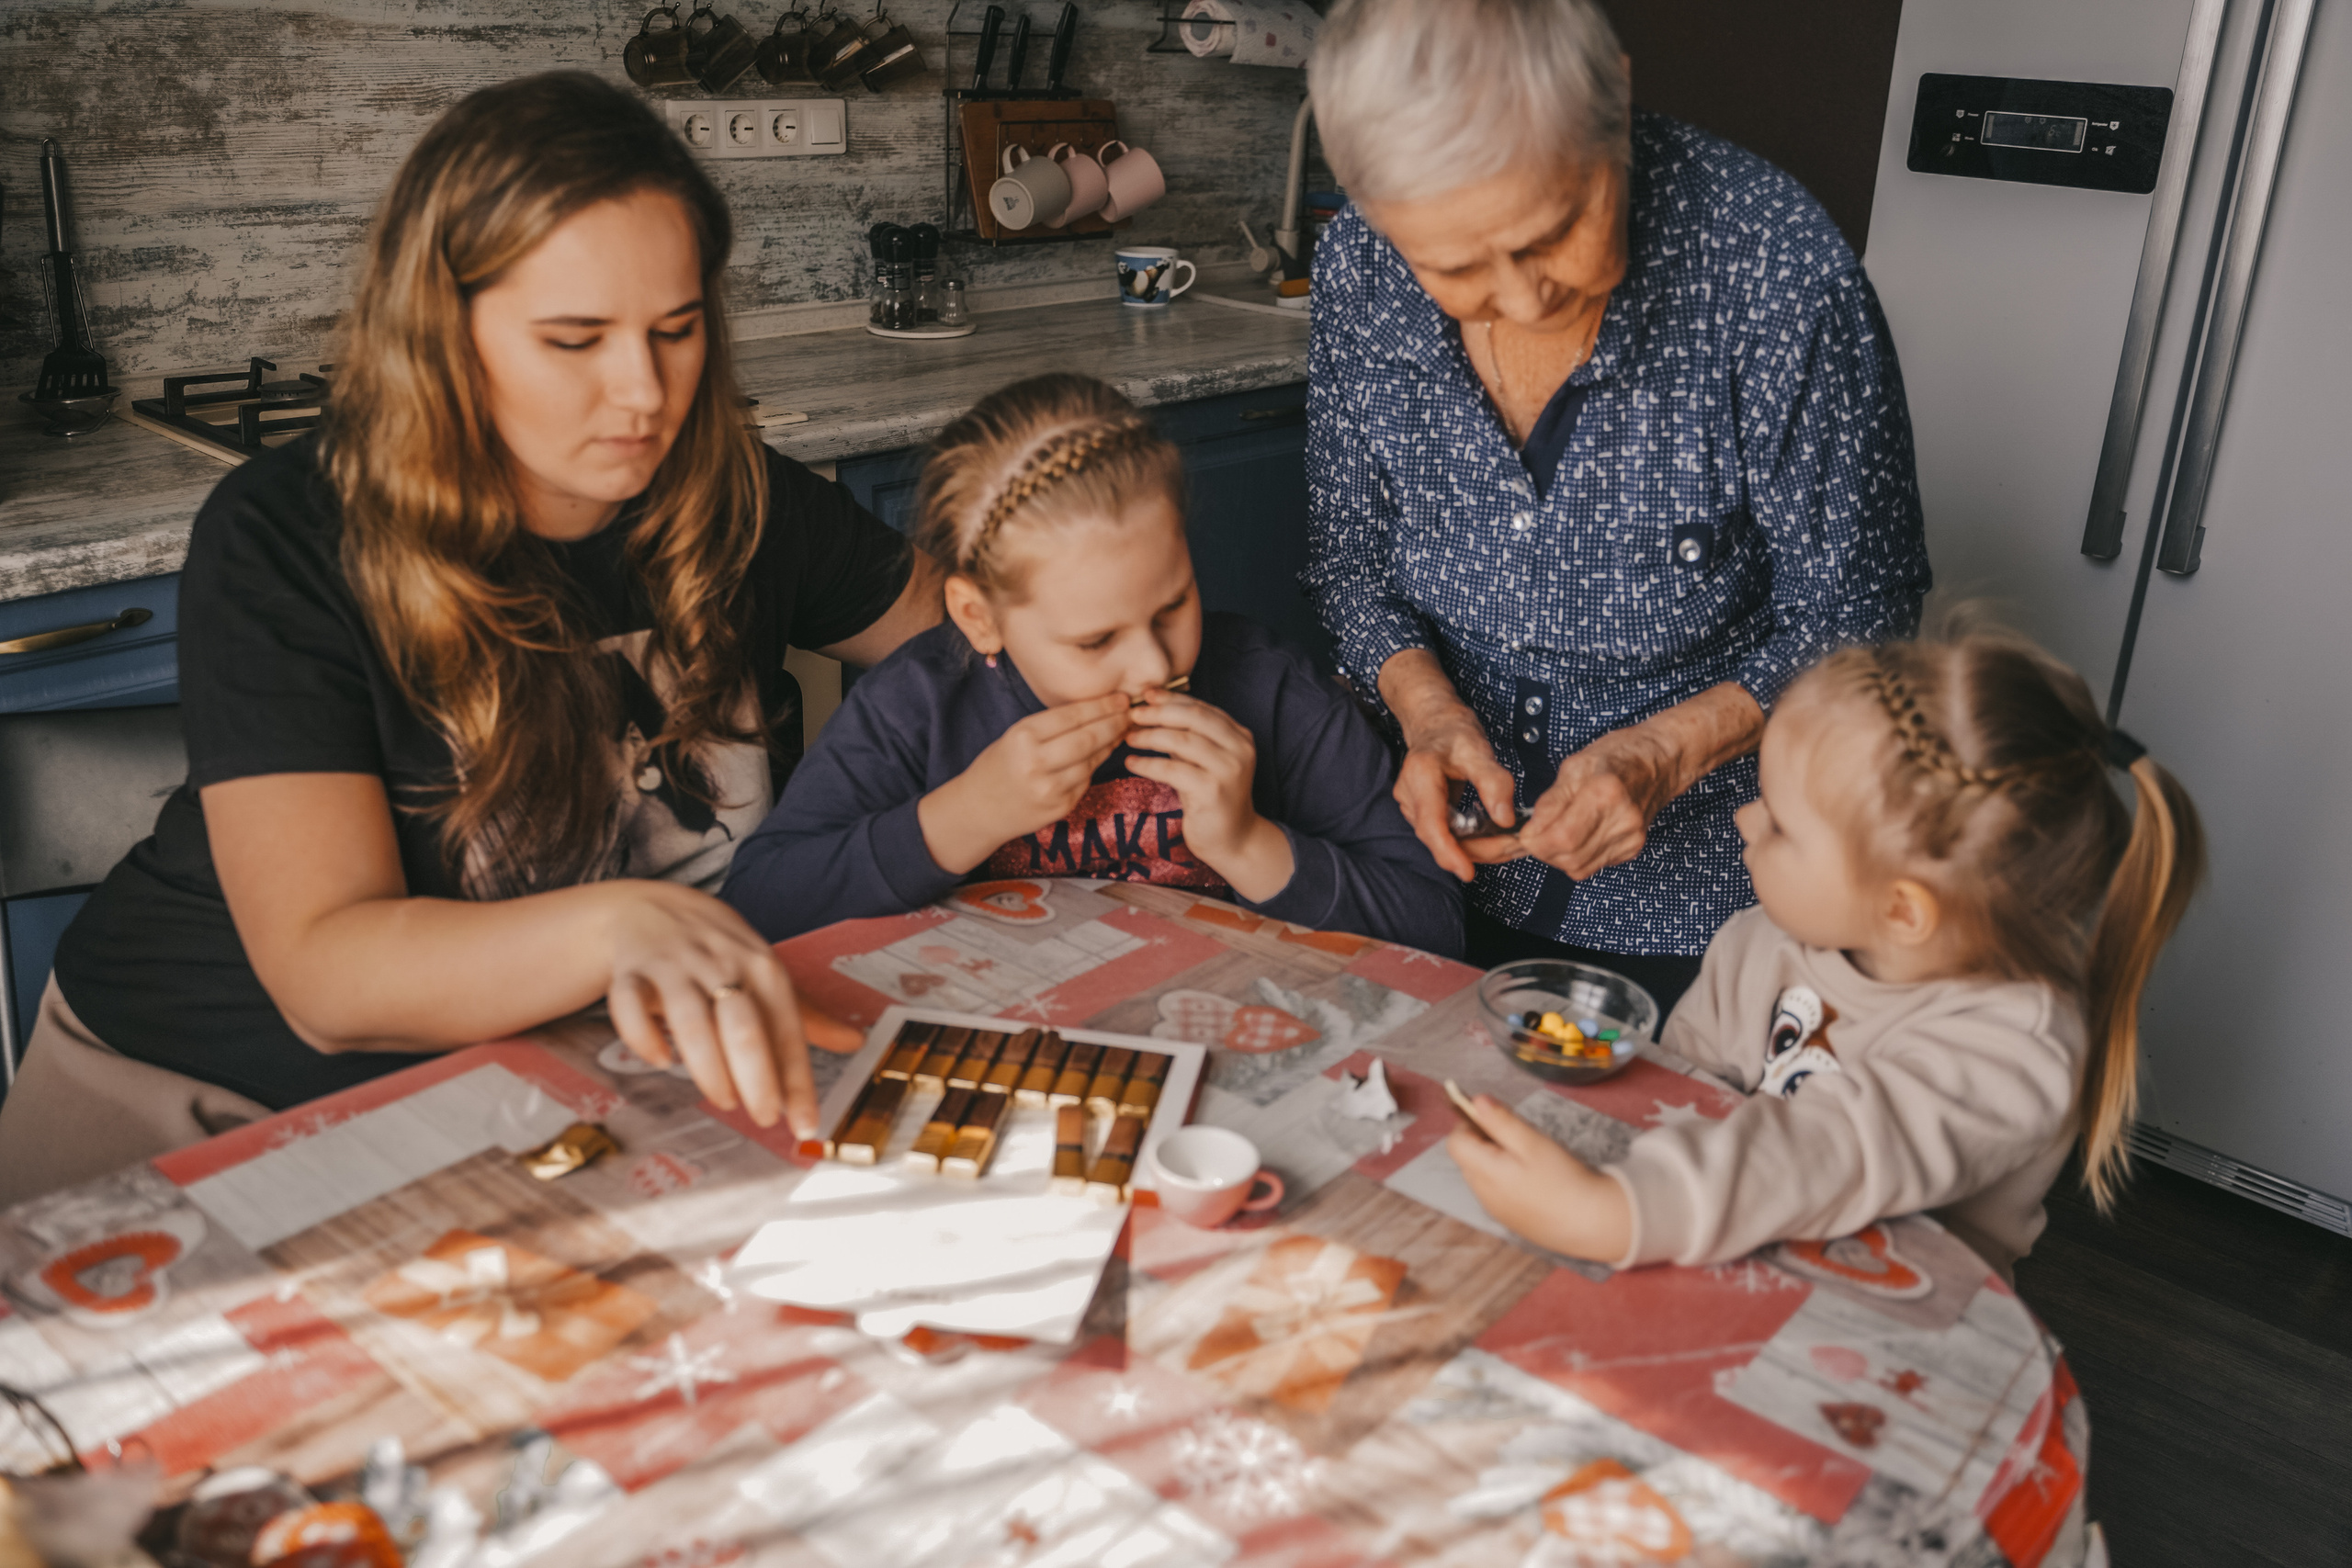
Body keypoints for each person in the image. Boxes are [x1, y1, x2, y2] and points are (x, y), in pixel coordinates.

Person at [0, 73, 935, 1204]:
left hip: (538, 1088)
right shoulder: (288, 536)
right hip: (198, 1101)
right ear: (446, 336)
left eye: (675, 330)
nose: (642, 391)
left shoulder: (741, 503)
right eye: (574, 339)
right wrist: (632, 919)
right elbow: (328, 978)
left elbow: (967, 653)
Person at [1302, 0, 1931, 1013]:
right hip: (1420, 857)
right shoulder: (1360, 268)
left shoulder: (1773, 271)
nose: (1522, 296)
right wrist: (1424, 711)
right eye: (1455, 268)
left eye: (1556, 229)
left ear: (1619, 105)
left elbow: (1863, 612)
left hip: (1709, 906)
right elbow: (1348, 557)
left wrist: (1661, 755)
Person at [1445, 624, 2206, 1280]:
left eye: (1781, 823)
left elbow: (1832, 1148)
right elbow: (1682, 1095)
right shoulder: (1760, 942)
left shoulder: (2015, 1043)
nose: (1745, 820)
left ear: (1901, 909)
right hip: (1735, 1257)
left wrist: (1612, 1212)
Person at [722, 374, 1462, 953]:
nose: (1151, 663)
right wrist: (965, 815)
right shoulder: (916, 708)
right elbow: (758, 909)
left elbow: (1436, 930)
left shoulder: (1268, 687)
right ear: (979, 617)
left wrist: (1249, 845)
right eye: (1094, 641)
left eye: (1173, 606)